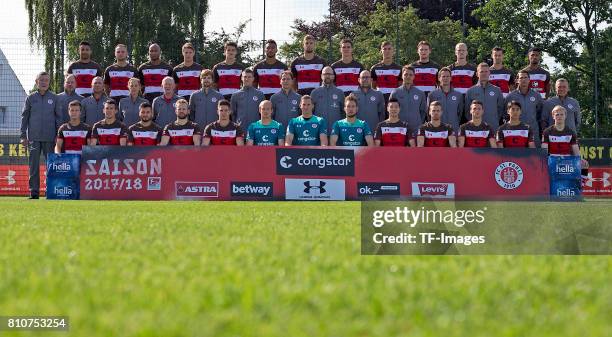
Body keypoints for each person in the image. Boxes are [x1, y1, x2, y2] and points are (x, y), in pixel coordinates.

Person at [20, 71, 60, 199]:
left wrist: (58, 135)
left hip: (50, 139)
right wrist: (22, 135)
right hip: (34, 139)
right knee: (33, 167)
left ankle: (51, 191)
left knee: (51, 166)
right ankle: (34, 192)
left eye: (46, 80)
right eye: (41, 80)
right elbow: (24, 117)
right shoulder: (30, 98)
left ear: (49, 82)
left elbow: (59, 118)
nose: (44, 82)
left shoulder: (54, 98)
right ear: (36, 82)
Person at [505, 70, 544, 146]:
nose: (523, 80)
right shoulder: (510, 96)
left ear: (529, 80)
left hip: (533, 131)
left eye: (526, 77)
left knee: (534, 156)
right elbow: (506, 115)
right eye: (521, 78)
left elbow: (540, 112)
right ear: (517, 80)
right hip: (516, 132)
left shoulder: (536, 95)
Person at [465, 63, 504, 132]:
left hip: (493, 128)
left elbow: (500, 109)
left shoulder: (497, 90)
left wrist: (493, 119)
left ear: (489, 73)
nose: (484, 74)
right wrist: (475, 122)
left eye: (486, 71)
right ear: (477, 74)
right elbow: (467, 111)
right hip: (475, 129)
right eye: (481, 72)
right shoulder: (470, 91)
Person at [389, 65, 427, 137]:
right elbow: (390, 111)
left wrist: (418, 123)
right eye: (406, 74)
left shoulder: (420, 93)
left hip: (415, 128)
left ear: (414, 76)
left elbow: (423, 111)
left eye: (410, 75)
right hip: (399, 128)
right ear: (402, 76)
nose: (408, 77)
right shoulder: (395, 92)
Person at [427, 67, 464, 132]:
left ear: (451, 78)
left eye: (447, 76)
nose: (445, 78)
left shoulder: (458, 95)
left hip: (454, 129)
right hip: (437, 130)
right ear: (439, 78)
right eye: (443, 76)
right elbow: (428, 113)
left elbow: (460, 113)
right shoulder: (432, 95)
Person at [311, 66, 344, 135]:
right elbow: (310, 112)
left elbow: (344, 112)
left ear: (333, 76)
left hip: (336, 132)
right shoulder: (314, 92)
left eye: (330, 74)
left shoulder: (340, 92)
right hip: (318, 131)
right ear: (321, 76)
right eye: (325, 74)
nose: (327, 76)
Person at [351, 70, 385, 135]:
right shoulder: (353, 94)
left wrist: (379, 130)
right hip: (356, 130)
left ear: (371, 79)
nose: (365, 79)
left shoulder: (378, 94)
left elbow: (382, 114)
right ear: (359, 79)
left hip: (373, 130)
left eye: (367, 77)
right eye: (363, 77)